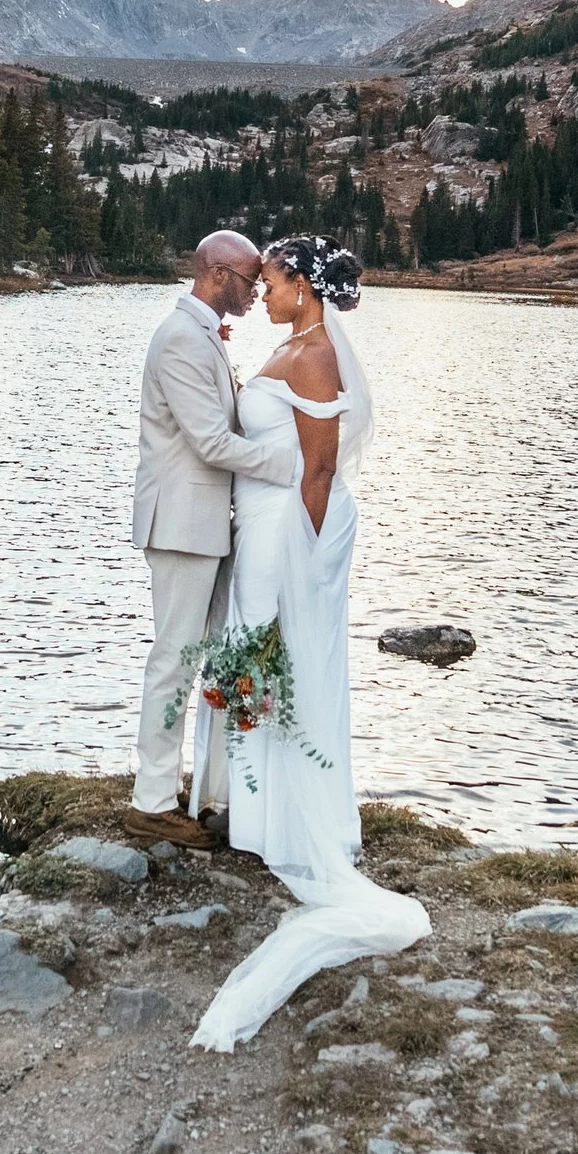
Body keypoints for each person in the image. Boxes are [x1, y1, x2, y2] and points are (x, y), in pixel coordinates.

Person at [189, 234, 429, 1051]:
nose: (265, 290)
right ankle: (257, 814)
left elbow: (318, 472)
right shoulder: (292, 344)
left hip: (289, 533)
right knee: (252, 659)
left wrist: (312, 560)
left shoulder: (317, 353)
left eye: (276, 280)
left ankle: (289, 824)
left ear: (304, 286)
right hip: (264, 526)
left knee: (273, 660)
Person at [127, 230, 300, 851]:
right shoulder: (180, 340)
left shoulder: (201, 335)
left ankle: (177, 790)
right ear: (220, 274)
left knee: (189, 658)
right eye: (252, 279)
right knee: (172, 659)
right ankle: (150, 802)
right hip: (179, 523)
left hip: (204, 524)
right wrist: (293, 469)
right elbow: (208, 442)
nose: (257, 290)